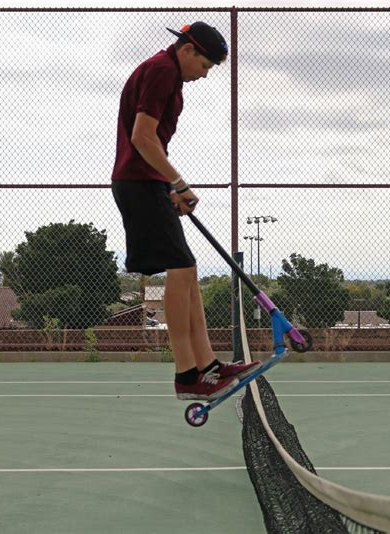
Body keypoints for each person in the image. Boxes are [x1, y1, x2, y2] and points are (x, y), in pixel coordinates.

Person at [112, 22, 261, 401]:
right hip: (138, 184)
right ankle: (187, 374)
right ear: (188, 50)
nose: (205, 73)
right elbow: (142, 138)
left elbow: (151, 142)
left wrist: (168, 185)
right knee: (180, 269)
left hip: (148, 183)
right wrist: (177, 182)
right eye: (206, 65)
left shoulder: (168, 77)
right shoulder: (162, 71)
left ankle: (208, 366)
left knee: (187, 269)